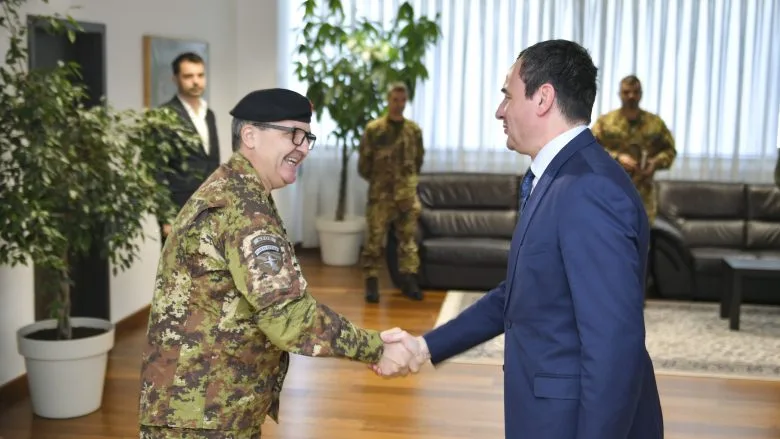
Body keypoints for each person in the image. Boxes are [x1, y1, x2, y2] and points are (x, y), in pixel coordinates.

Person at [378, 40, 664, 439]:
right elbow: (519, 294)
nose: (500, 110)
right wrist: (425, 346)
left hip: (574, 422)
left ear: (543, 98)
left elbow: (614, 346)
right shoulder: (557, 177)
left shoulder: (589, 188)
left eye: (507, 96)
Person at [138, 88, 416, 439]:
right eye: (293, 134)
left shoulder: (235, 190)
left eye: (307, 137)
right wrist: (375, 347)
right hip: (200, 413)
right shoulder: (242, 207)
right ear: (250, 135)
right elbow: (287, 317)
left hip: (203, 404)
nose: (303, 147)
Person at [357, 82, 425, 303]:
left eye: (403, 100)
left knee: (408, 242)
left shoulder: (413, 131)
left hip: (406, 196)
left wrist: (406, 183)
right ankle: (371, 283)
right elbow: (364, 165)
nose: (399, 104)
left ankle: (409, 281)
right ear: (388, 100)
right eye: (395, 99)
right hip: (381, 196)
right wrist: (381, 181)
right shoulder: (374, 129)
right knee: (374, 242)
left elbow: (418, 161)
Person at [591, 75, 676, 224]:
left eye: (635, 92)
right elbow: (589, 149)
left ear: (641, 94)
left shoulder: (655, 123)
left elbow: (670, 150)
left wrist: (655, 163)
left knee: (641, 236)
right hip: (609, 194)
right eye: (626, 92)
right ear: (619, 94)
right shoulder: (605, 123)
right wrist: (616, 158)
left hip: (643, 197)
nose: (631, 96)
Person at [156, 52, 221, 247]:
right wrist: (166, 217)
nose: (196, 81)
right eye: (188, 76)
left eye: (200, 75)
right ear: (175, 78)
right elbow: (157, 169)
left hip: (209, 207)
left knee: (210, 264)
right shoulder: (164, 115)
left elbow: (212, 162)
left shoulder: (209, 114)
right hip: (178, 208)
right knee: (177, 265)